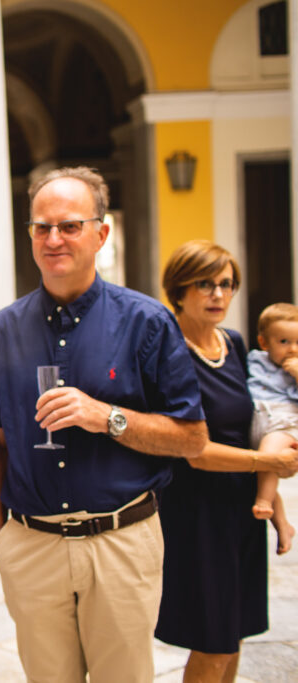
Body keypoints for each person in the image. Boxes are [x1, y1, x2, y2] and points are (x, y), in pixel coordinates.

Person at [0, 167, 208, 683]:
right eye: (42, 227)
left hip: (120, 542)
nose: (54, 238)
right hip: (32, 546)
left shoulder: (147, 322)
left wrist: (107, 418)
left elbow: (193, 438)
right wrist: (2, 541)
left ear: (101, 233)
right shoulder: (1, 331)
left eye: (70, 225)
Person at [156, 241, 298, 681]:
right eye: (205, 284)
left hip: (241, 509)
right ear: (179, 290)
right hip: (197, 512)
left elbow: (253, 424)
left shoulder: (233, 344)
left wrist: (275, 509)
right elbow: (191, 451)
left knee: (234, 634)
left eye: (226, 284)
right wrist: (268, 464)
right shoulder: (166, 351)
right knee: (213, 640)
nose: (218, 294)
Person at [248, 302, 298, 548]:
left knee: (267, 459)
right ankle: (283, 526)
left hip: (284, 424)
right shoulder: (255, 360)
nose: (293, 349)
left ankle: (263, 503)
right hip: (259, 421)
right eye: (284, 342)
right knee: (262, 475)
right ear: (264, 343)